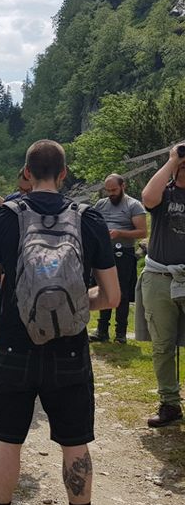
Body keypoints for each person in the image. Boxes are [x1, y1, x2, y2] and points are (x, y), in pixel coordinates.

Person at [0, 139, 119, 505]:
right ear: (65, 173)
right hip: (69, 350)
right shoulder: (88, 218)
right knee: (75, 443)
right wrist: (72, 303)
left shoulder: (4, 217)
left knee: (8, 441)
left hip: (15, 345)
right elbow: (111, 296)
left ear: (27, 174)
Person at [137, 144, 185, 427]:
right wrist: (171, 160)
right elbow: (147, 197)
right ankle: (170, 404)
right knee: (162, 346)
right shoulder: (165, 194)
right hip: (159, 278)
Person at [90, 174, 146, 343]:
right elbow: (92, 223)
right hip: (104, 253)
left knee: (121, 291)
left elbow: (142, 232)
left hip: (124, 253)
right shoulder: (101, 204)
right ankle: (102, 330)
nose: (111, 193)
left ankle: (120, 333)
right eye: (108, 191)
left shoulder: (133, 205)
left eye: (114, 190)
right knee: (103, 290)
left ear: (123, 186)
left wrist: (120, 233)